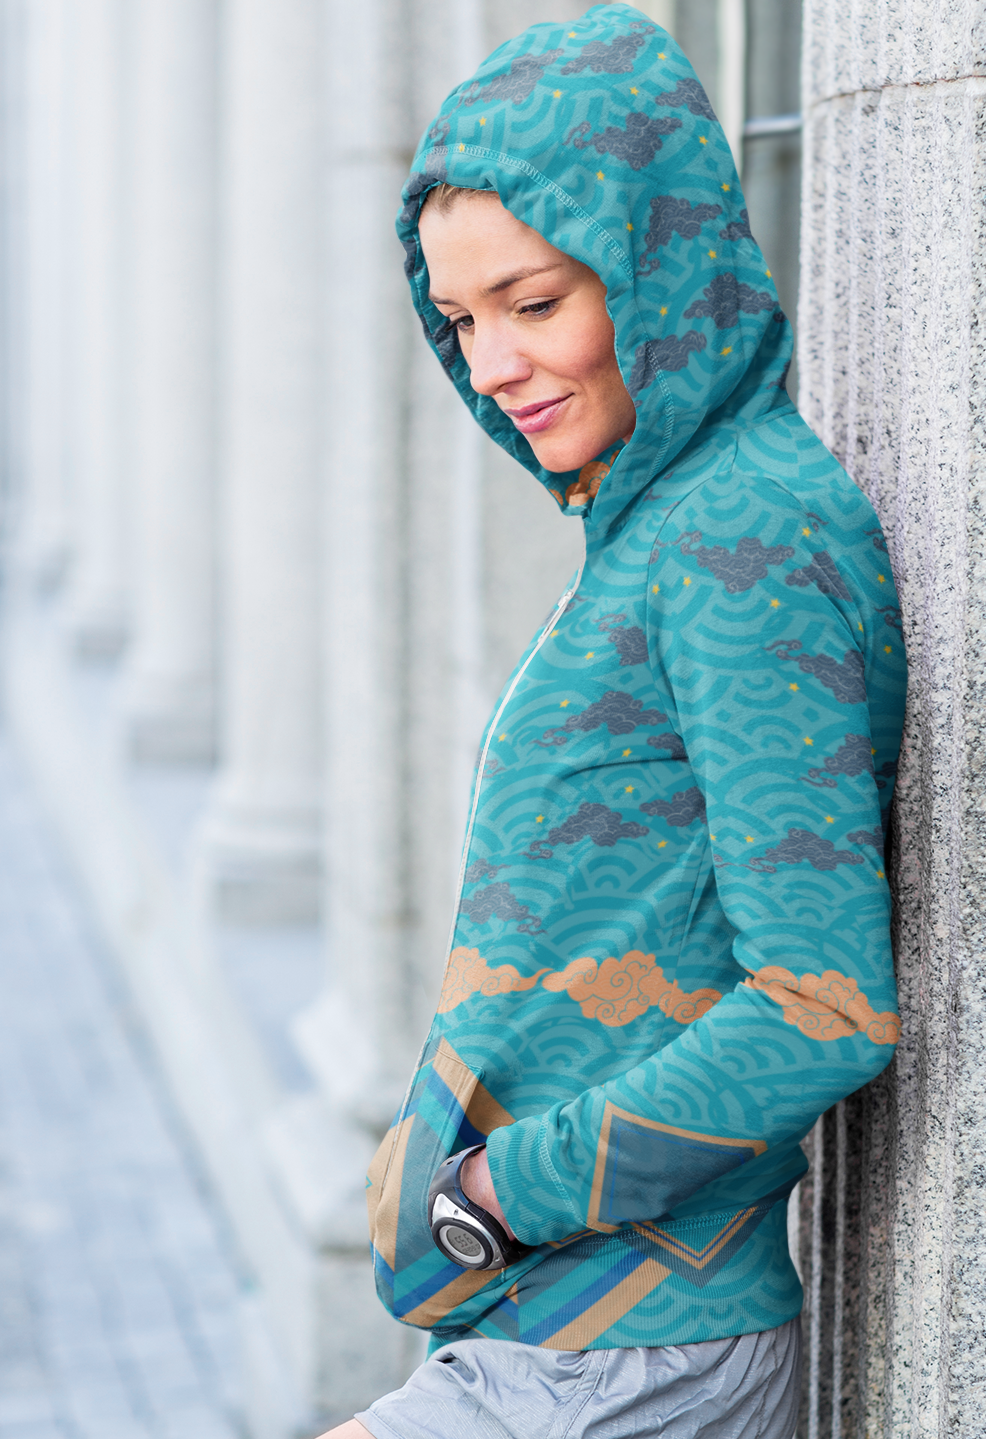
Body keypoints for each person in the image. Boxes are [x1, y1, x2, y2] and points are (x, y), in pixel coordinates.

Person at [322, 6, 906, 1436]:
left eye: (536, 302)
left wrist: (488, 1199)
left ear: (658, 266)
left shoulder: (744, 537)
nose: (496, 363)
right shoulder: (660, 533)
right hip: (569, 1335)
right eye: (462, 320)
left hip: (636, 1354)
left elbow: (824, 1004)